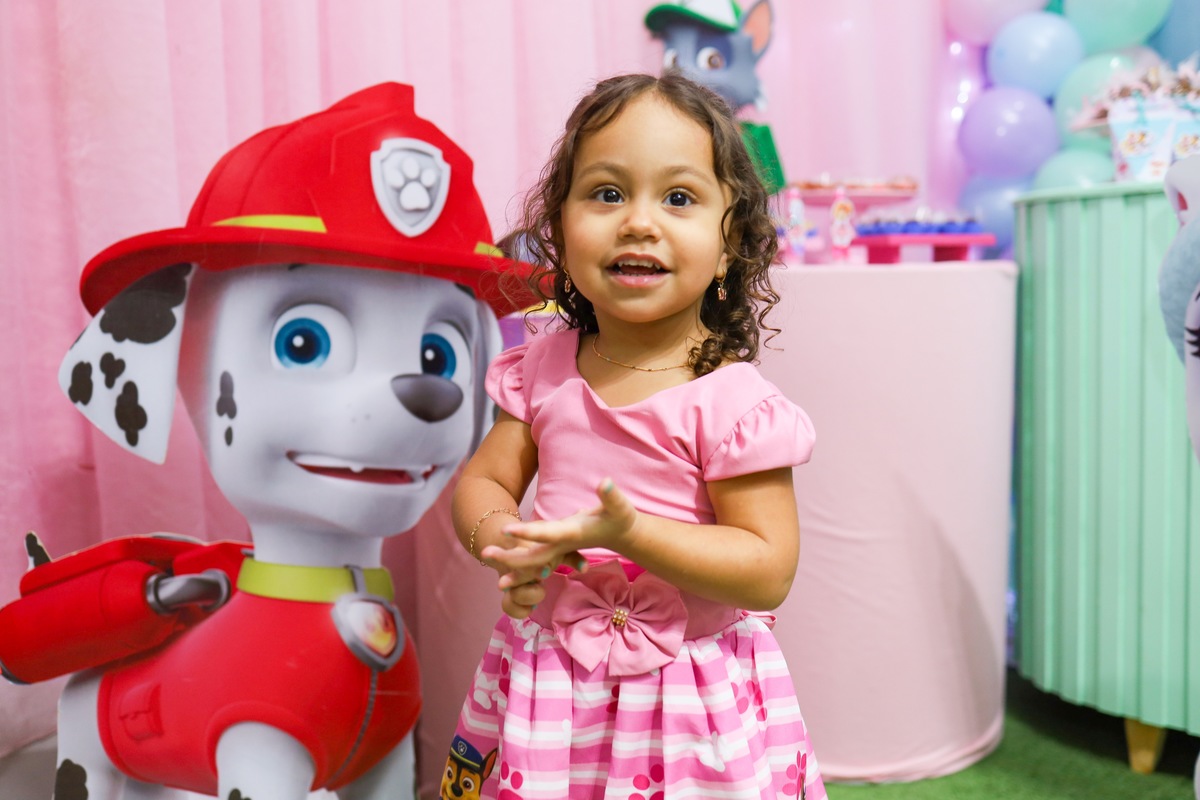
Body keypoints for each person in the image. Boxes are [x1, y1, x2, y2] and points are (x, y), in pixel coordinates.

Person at [442, 72, 826, 800]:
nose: (638, 222)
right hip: (556, 686)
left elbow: (768, 565)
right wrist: (502, 540)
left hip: (687, 700)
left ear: (731, 246)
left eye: (678, 198)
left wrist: (633, 533)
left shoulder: (732, 404)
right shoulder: (541, 370)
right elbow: (484, 482)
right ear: (559, 225)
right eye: (607, 193)